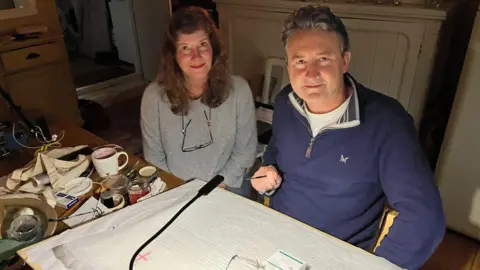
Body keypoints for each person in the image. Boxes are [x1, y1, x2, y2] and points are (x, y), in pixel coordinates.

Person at [251, 5, 445, 269]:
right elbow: (277, 150)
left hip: (334, 258)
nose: (310, 73)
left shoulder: (387, 122)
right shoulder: (286, 101)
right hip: (274, 240)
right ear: (289, 65)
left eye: (323, 59)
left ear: (344, 61)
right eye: (300, 61)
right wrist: (268, 174)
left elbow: (424, 217)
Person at [141, 6, 257, 193]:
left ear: (213, 48)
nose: (196, 56)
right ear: (173, 55)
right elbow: (154, 157)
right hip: (176, 191)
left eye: (202, 44)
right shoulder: (153, 97)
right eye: (185, 48)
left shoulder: (239, 90)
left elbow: (245, 152)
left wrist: (214, 189)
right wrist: (182, 192)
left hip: (228, 188)